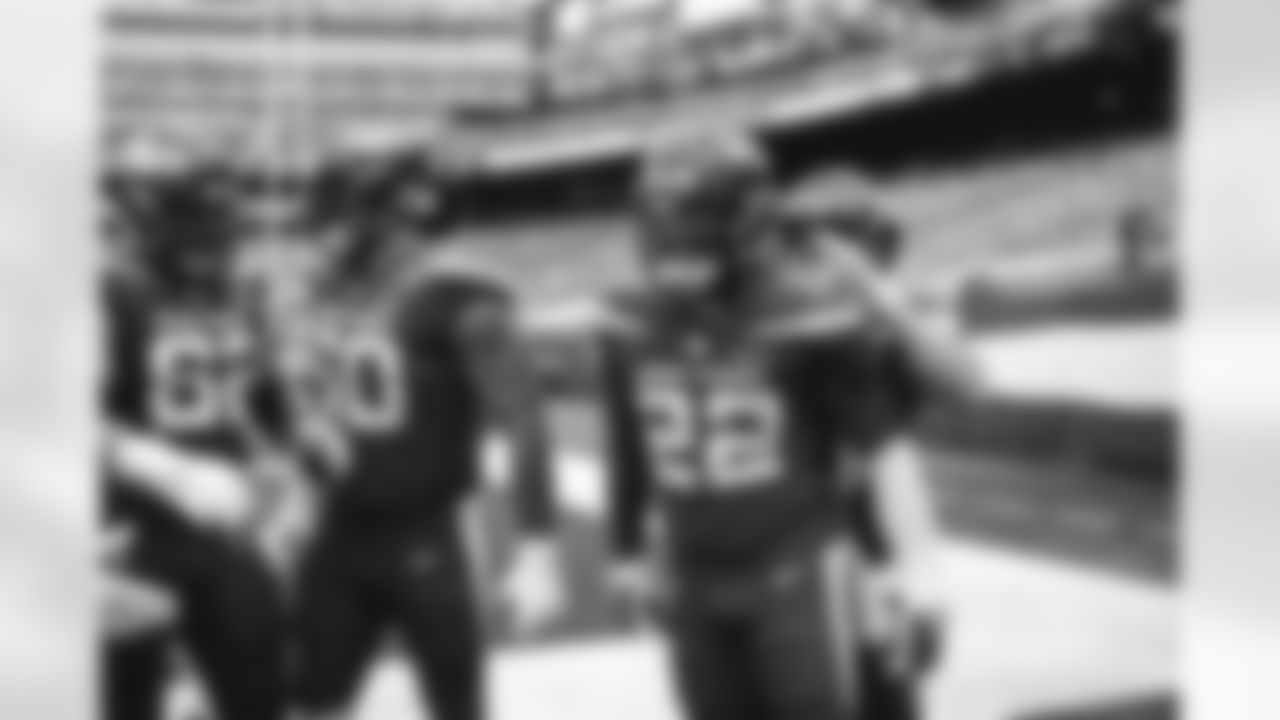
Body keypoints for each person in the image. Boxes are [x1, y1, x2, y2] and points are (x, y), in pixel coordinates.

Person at [595, 127, 974, 720]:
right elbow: (628, 438)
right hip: (699, 574)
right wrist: (626, 550)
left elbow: (897, 439)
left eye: (691, 238)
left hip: (804, 563)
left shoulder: (818, 311)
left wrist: (918, 565)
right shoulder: (631, 318)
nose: (674, 260)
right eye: (664, 237)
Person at [277, 126, 566, 720]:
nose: (325, 231)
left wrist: (537, 545)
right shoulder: (331, 291)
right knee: (312, 704)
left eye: (337, 211)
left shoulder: (457, 294)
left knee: (457, 709)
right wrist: (297, 492)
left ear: (383, 211)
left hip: (430, 532)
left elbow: (524, 418)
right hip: (337, 534)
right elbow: (316, 410)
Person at [100, 129, 292, 720]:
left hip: (223, 537)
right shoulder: (108, 291)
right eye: (199, 226)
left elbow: (267, 399)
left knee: (261, 695)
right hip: (131, 536)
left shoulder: (240, 292)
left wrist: (275, 461)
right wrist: (169, 473)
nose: (217, 244)